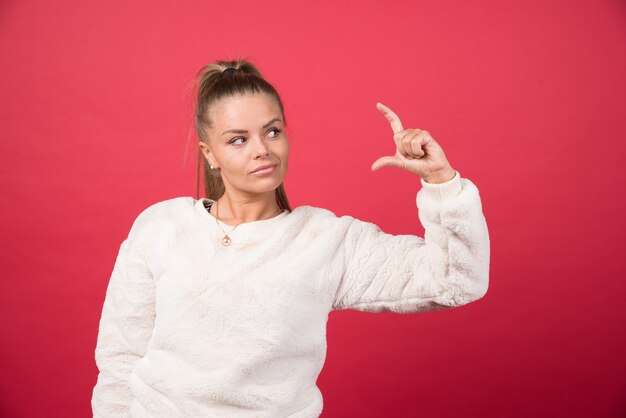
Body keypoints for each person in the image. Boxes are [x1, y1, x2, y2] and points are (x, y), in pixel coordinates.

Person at [91, 59, 490, 418]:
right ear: (209, 154)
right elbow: (121, 357)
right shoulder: (161, 227)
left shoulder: (324, 240)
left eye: (272, 131)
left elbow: (454, 281)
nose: (262, 150)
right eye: (238, 139)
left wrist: (440, 181)